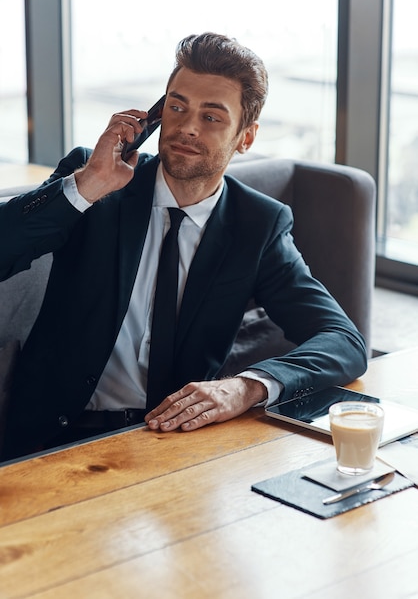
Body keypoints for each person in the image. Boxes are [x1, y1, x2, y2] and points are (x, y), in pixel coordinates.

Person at [0, 33, 367, 461]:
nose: (187, 127)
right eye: (177, 107)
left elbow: (342, 340)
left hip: (174, 443)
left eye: (212, 117)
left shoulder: (258, 225)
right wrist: (88, 186)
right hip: (53, 437)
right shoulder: (95, 185)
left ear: (245, 138)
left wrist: (245, 387)